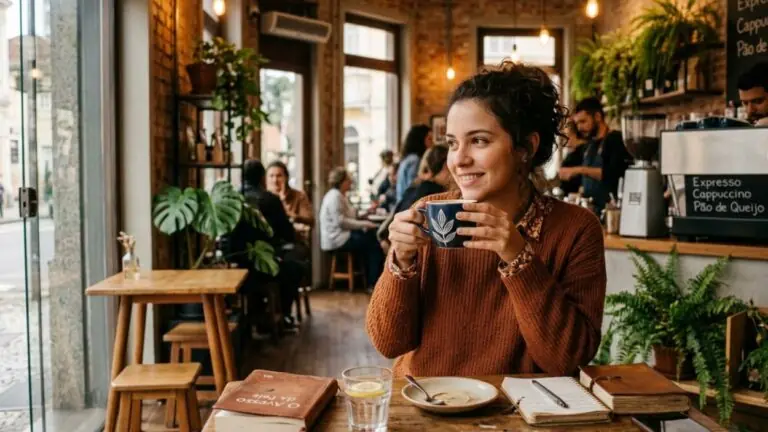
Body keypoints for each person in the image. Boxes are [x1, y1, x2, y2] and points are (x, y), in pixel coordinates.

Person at [366, 61, 607, 378]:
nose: (459, 159)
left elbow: (567, 360)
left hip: (518, 407)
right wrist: (400, 260)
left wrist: (518, 257)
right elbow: (388, 343)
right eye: (452, 143)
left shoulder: (575, 229)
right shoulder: (429, 214)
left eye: (479, 140)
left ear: (525, 147)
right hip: (427, 400)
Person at [229, 160, 307, 329]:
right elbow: (287, 233)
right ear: (263, 178)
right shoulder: (270, 200)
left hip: (236, 263)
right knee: (295, 268)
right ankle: (282, 315)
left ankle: (260, 313)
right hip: (264, 264)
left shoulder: (231, 199)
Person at [377, 145, 452, 254]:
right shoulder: (435, 193)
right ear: (446, 165)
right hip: (404, 247)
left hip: (389, 239)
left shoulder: (415, 186)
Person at [319, 167, 384, 291]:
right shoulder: (334, 197)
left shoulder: (340, 195)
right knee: (373, 245)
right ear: (341, 181)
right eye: (348, 180)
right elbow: (341, 222)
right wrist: (364, 224)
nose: (350, 182)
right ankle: (373, 283)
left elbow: (351, 215)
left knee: (370, 238)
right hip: (336, 239)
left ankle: (372, 280)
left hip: (342, 235)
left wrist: (366, 213)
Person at [567, 97, 632, 212]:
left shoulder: (615, 139)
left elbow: (613, 173)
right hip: (590, 210)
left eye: (583, 121)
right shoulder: (589, 145)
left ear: (597, 116)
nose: (579, 127)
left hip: (610, 211)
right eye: (577, 123)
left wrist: (580, 170)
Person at [266, 160, 314, 228]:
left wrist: (294, 216)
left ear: (286, 177)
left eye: (279, 176)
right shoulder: (263, 197)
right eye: (271, 176)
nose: (275, 180)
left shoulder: (299, 196)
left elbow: (310, 220)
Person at [396, 124, 432, 201]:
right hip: (408, 204)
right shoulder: (415, 160)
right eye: (429, 139)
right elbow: (413, 187)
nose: (432, 142)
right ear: (420, 140)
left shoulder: (408, 158)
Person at [557, 121, 588, 195]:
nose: (565, 139)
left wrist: (571, 172)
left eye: (567, 135)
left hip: (578, 194)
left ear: (574, 134)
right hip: (567, 193)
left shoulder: (585, 149)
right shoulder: (572, 151)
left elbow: (585, 172)